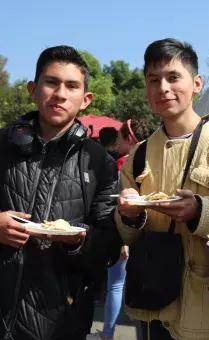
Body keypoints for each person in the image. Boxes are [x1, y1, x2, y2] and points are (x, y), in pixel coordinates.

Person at [115, 38, 209, 340]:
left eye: (174, 77)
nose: (163, 88)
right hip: (152, 306)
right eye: (153, 80)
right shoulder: (139, 155)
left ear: (197, 83)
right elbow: (127, 235)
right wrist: (129, 214)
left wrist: (202, 211)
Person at [0, 45, 122, 340]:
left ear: (85, 99)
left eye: (72, 86)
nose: (60, 93)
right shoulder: (1, 144)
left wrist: (78, 241)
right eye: (51, 82)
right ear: (33, 89)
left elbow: (109, 247)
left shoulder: (99, 163)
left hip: (60, 322)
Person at [87, 119, 150, 340]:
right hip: (148, 236)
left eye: (121, 139)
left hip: (125, 232)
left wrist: (122, 239)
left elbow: (120, 205)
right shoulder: (154, 159)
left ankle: (108, 333)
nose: (118, 143)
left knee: (116, 284)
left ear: (130, 139)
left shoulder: (125, 164)